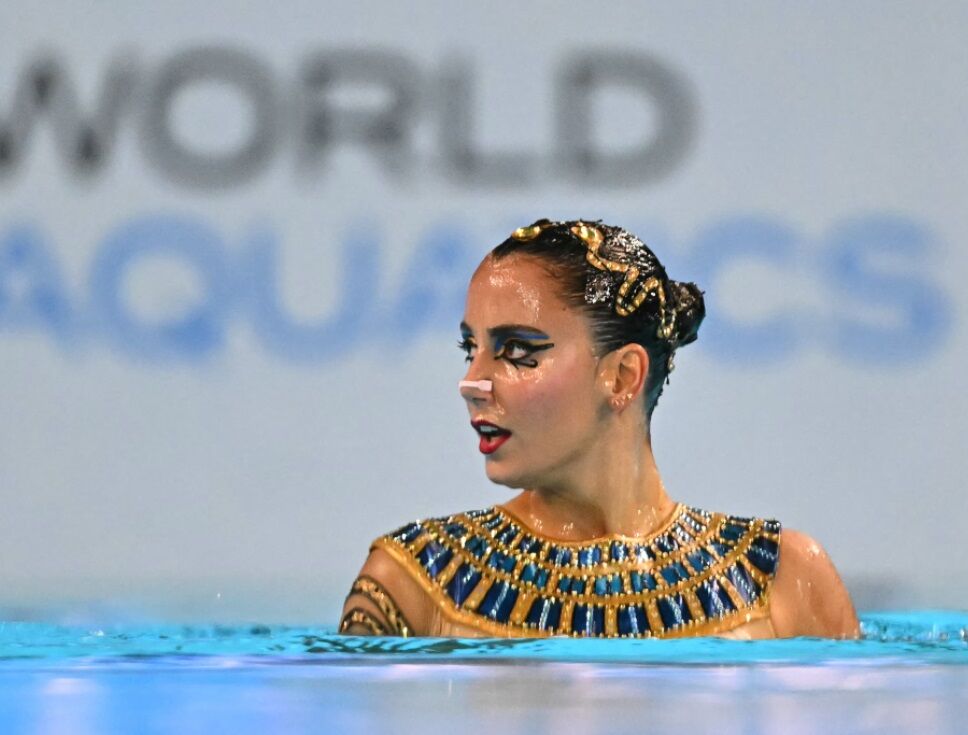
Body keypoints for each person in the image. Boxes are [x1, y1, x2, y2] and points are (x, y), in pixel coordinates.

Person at [339, 219, 859, 639]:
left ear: (622, 376)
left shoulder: (783, 580)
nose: (472, 382)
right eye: (469, 349)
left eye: (517, 351)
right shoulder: (413, 584)